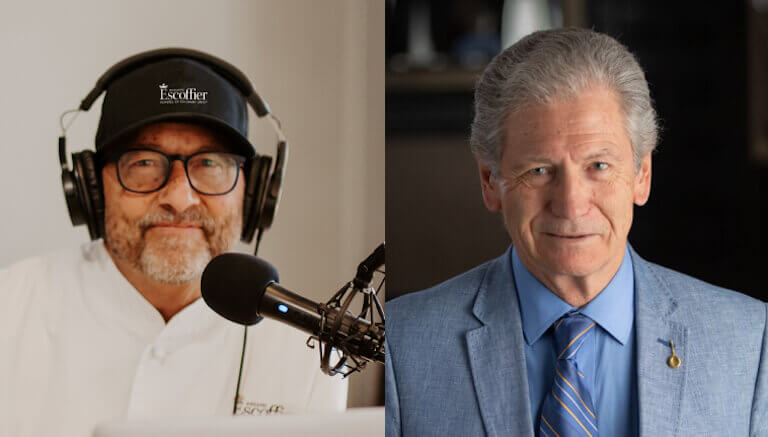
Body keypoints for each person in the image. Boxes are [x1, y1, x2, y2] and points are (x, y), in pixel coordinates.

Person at [385, 28, 768, 436]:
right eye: (539, 170)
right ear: (489, 181)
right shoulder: (400, 345)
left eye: (598, 166)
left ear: (642, 175)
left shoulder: (750, 341)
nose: (570, 204)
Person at [0, 50, 346, 437]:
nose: (180, 199)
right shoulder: (10, 311)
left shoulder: (310, 354)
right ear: (90, 187)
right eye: (144, 163)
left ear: (255, 192)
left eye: (210, 163)